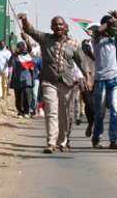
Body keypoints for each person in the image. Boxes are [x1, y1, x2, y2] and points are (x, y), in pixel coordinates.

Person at [19, 13, 90, 154]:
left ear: (64, 27)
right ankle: (51, 143)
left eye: (60, 24)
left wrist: (88, 79)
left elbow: (82, 62)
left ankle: (63, 142)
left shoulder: (74, 43)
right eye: (55, 24)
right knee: (51, 112)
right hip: (49, 81)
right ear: (51, 27)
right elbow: (30, 30)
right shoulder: (45, 39)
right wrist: (25, 19)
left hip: (68, 84)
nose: (58, 26)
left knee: (65, 115)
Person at [90, 11, 117, 150]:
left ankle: (113, 140)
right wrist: (109, 22)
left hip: (114, 79)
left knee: (115, 109)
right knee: (100, 113)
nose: (112, 28)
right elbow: (98, 30)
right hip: (100, 80)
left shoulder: (115, 38)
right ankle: (97, 138)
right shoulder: (95, 38)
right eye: (109, 25)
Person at [9, 41, 36, 117]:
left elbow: (30, 48)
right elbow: (9, 62)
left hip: (27, 79)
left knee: (27, 96)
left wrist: (27, 40)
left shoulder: (27, 55)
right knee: (18, 97)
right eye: (19, 47)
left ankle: (27, 112)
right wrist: (11, 43)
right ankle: (20, 112)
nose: (21, 48)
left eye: (22, 46)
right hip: (17, 79)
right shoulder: (15, 56)